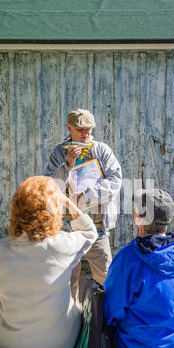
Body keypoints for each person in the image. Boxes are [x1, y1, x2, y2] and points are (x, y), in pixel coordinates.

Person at [0, 176, 98, 348]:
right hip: (59, 343)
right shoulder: (62, 246)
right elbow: (90, 232)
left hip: (7, 343)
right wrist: (69, 204)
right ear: (54, 211)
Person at [103, 188, 174, 348]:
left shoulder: (128, 256)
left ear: (137, 217)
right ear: (169, 218)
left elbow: (111, 308)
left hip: (135, 346)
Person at [45, 108, 122, 300]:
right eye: (81, 129)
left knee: (105, 274)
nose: (85, 133)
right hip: (66, 224)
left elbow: (115, 180)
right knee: (67, 276)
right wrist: (68, 165)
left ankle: (106, 321)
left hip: (96, 224)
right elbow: (50, 185)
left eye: (89, 129)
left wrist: (86, 197)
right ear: (69, 128)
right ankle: (68, 321)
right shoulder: (58, 153)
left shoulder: (102, 150)